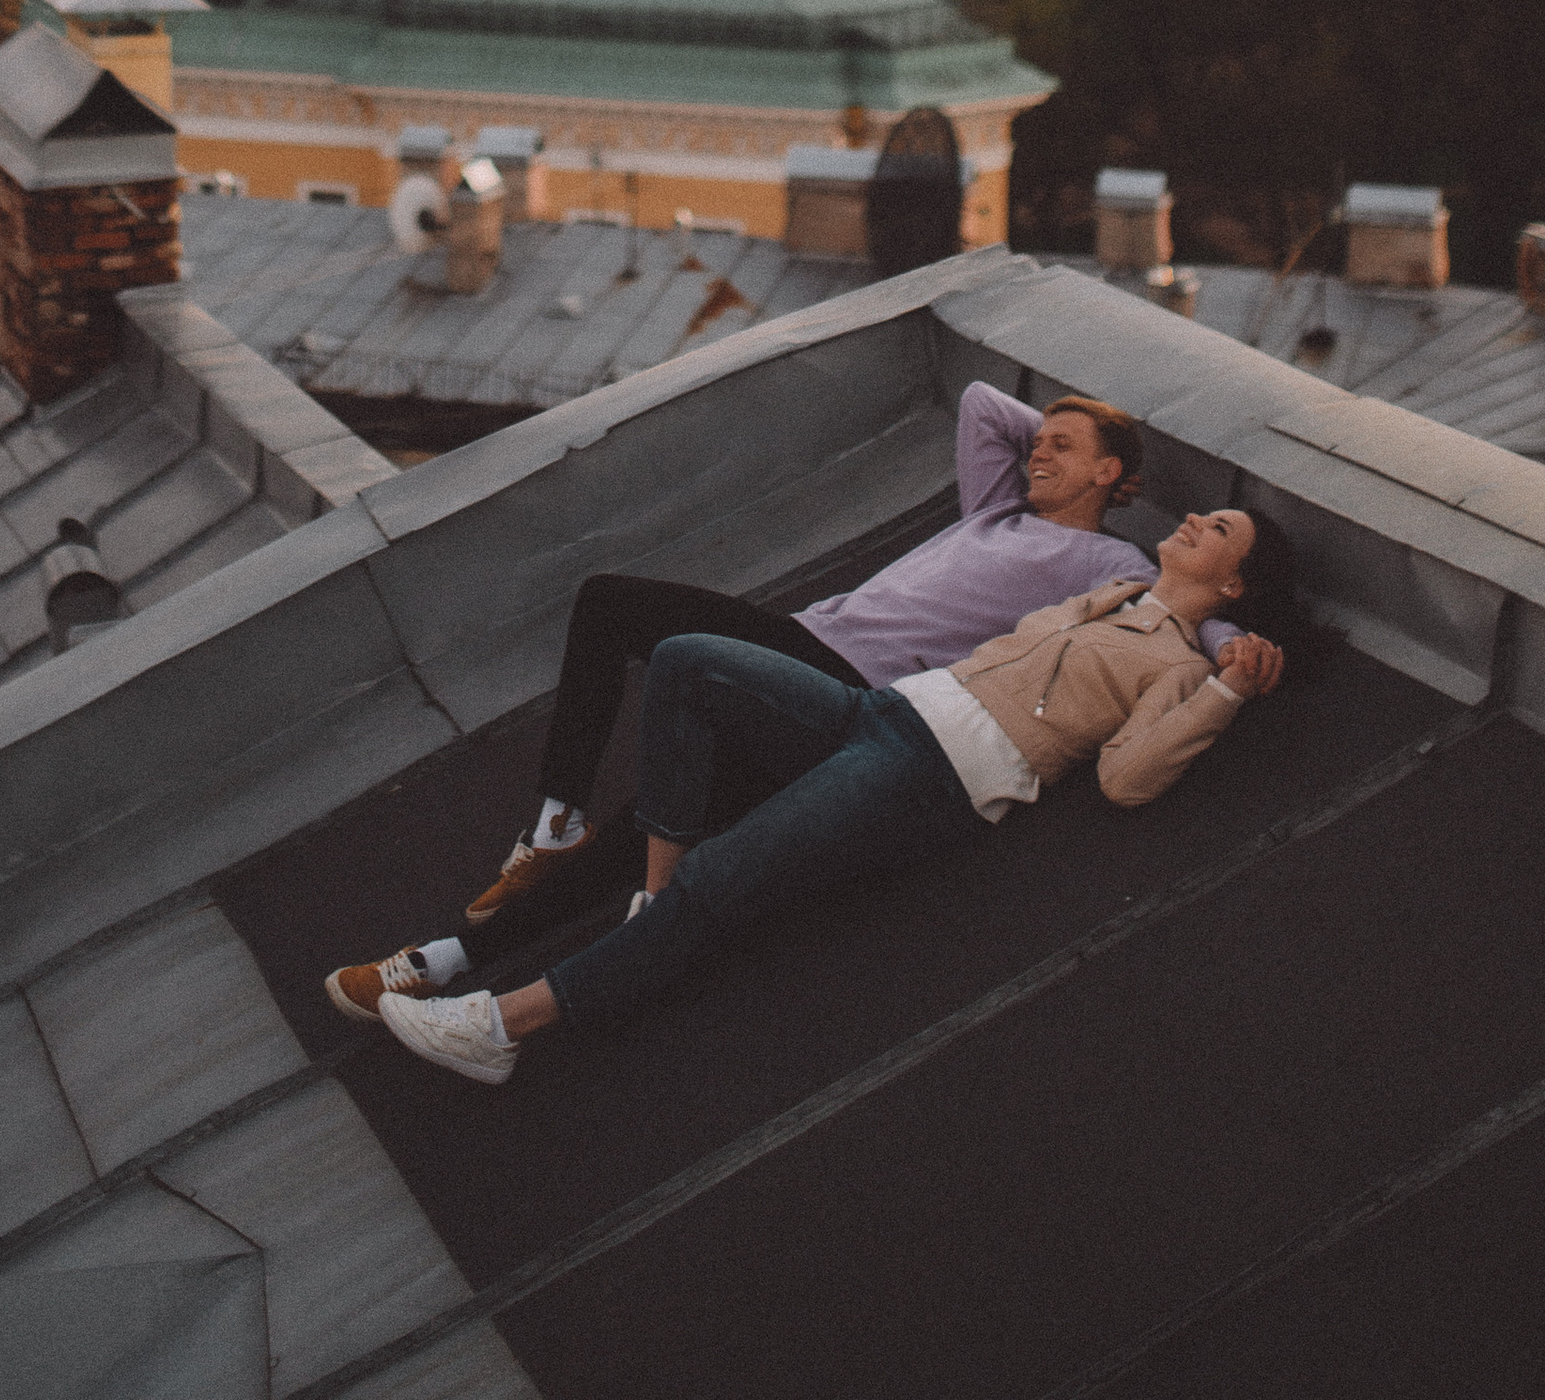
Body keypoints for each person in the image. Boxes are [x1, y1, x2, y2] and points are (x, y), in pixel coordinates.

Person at [327, 382, 1263, 1016]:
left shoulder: (1115, 562)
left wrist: (1232, 650)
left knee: (640, 769)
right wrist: (1070, 437)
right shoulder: (996, 505)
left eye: (1065, 450)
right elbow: (983, 405)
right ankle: (514, 871)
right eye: (1041, 443)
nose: (1038, 454)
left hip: (848, 693)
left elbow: (1192, 616)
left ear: (1109, 476)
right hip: (801, 641)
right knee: (630, 748)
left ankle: (466, 950)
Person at [376, 501, 1300, 1086]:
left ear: (1234, 580)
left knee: (728, 877)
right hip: (881, 709)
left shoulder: (1183, 668)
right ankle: (650, 897)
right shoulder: (1116, 593)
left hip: (935, 774)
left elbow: (1126, 777)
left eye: (1219, 528)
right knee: (689, 662)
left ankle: (501, 1026)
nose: (1192, 520)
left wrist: (1226, 680)